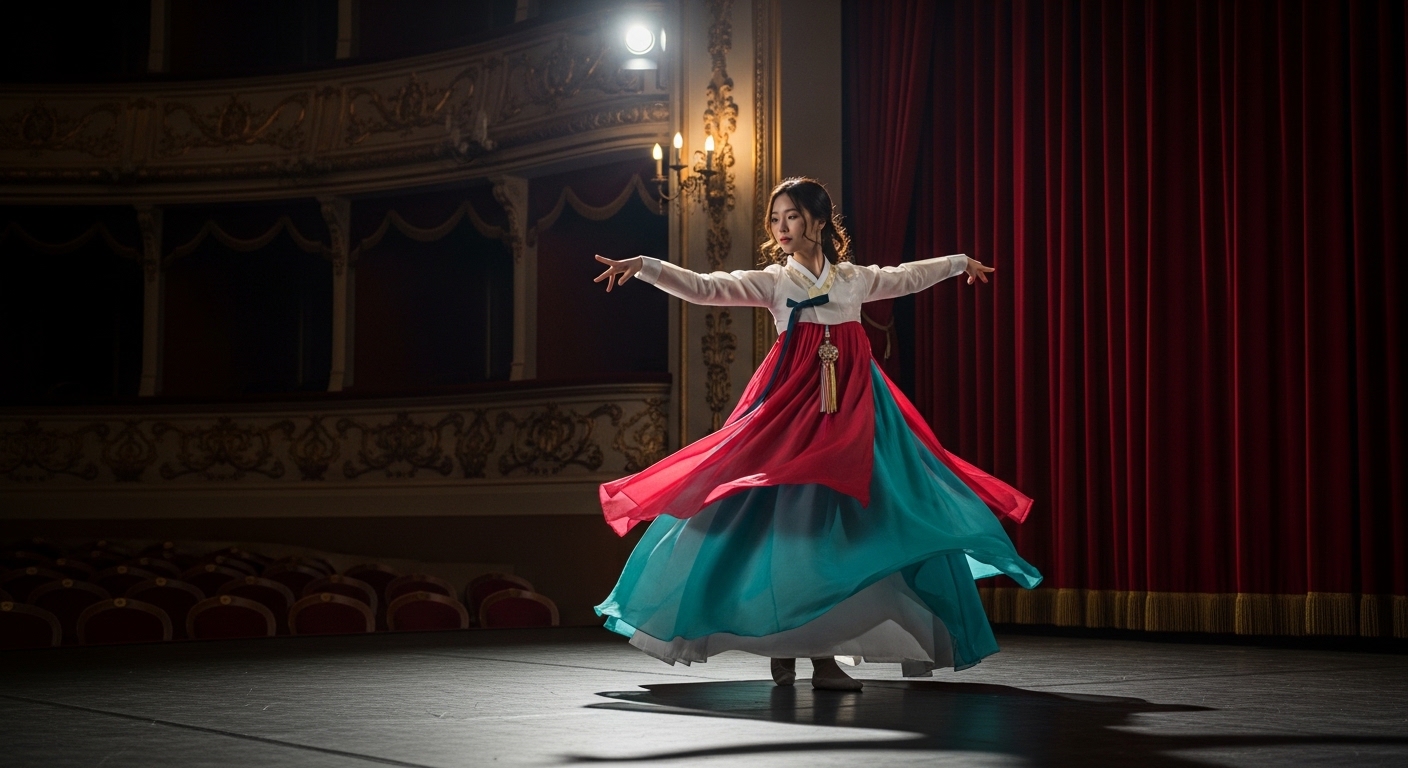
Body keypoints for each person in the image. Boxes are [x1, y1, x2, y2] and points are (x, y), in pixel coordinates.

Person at [590, 177, 1042, 690]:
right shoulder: (774, 282)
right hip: (792, 412)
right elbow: (706, 286)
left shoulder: (852, 279)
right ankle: (789, 648)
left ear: (820, 221)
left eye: (792, 216)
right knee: (785, 527)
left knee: (855, 525)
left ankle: (820, 656)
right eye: (775, 219)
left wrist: (959, 263)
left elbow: (908, 276)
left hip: (851, 411)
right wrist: (647, 266)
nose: (781, 228)